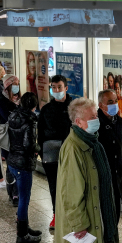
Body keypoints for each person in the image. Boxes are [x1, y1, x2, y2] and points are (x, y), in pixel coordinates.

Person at [54, 98, 111, 243]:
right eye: (93, 117)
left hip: (89, 209)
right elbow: (71, 191)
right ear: (79, 122)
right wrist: (78, 223)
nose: (97, 120)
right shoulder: (74, 148)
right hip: (79, 214)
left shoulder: (87, 142)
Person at [38, 75, 74, 230]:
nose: (56, 90)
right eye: (53, 87)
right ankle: (56, 215)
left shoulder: (75, 108)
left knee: (72, 185)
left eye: (59, 87)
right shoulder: (46, 109)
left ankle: (72, 216)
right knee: (54, 186)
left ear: (66, 88)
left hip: (71, 152)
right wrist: (42, 150)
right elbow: (40, 132)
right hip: (51, 153)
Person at [97, 89, 122, 243]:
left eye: (115, 100)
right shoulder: (96, 122)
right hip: (104, 172)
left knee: (116, 207)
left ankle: (112, 241)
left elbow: (120, 144)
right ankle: (106, 242)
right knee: (105, 209)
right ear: (101, 105)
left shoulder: (118, 120)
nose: (114, 104)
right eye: (110, 102)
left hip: (116, 171)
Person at [8, 92, 42, 243]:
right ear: (34, 106)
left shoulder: (13, 115)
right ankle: (22, 235)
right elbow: (29, 145)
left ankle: (25, 227)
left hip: (13, 160)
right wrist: (39, 148)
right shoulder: (30, 120)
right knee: (24, 198)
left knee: (22, 196)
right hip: (23, 163)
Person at [0, 74, 21, 206]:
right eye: (15, 83)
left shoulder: (20, 100)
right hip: (8, 139)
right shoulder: (2, 101)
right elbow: (9, 119)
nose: (17, 86)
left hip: (19, 139)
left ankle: (17, 192)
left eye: (18, 83)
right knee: (11, 166)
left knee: (17, 166)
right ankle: (13, 193)